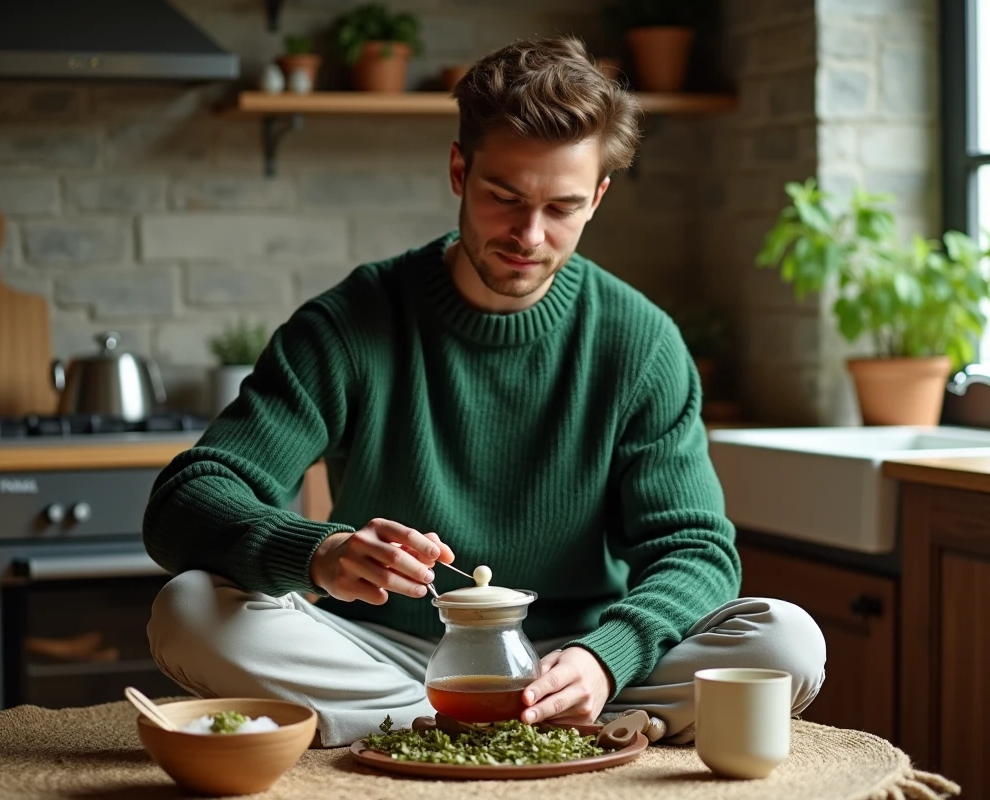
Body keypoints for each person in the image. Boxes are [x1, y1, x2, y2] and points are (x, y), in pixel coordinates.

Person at [143, 35, 826, 749]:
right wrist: (320, 551)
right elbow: (187, 500)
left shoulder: (640, 342)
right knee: (186, 609)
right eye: (504, 197)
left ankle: (489, 723)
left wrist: (606, 657)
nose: (529, 235)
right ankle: (469, 726)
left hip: (575, 659)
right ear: (459, 170)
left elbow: (695, 550)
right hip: (393, 657)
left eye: (562, 207)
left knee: (788, 642)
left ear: (597, 198)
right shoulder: (349, 325)